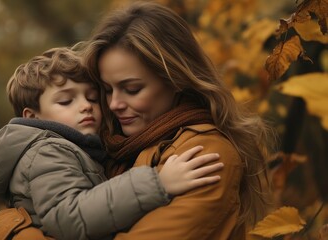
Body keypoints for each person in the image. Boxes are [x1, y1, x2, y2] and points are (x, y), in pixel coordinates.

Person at [0, 47, 224, 240]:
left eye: (92, 97)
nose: (86, 105)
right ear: (32, 117)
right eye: (66, 101)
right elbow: (70, 217)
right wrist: (157, 183)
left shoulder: (78, 150)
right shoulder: (47, 152)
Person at [79, 1, 273, 239]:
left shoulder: (206, 153)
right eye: (107, 89)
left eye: (131, 89)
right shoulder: (109, 150)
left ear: (175, 79)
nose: (113, 104)